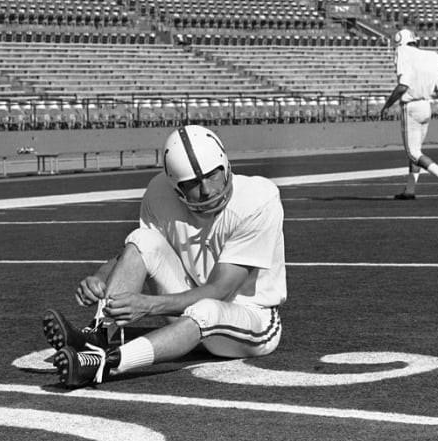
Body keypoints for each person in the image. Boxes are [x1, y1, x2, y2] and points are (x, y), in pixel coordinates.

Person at [42, 125, 286, 389]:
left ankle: (106, 362)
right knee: (143, 238)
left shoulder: (258, 200)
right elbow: (139, 248)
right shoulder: (159, 192)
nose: (207, 190)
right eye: (193, 183)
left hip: (251, 318)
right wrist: (100, 278)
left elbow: (220, 290)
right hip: (189, 307)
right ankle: (98, 336)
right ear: (175, 188)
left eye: (213, 175)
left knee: (206, 308)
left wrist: (149, 305)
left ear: (227, 165)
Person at [381, 28, 438, 200]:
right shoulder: (430, 57)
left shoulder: (403, 52)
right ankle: (410, 190)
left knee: (413, 153)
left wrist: (387, 105)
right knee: (416, 151)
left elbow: (403, 86)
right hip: (427, 106)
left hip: (411, 107)